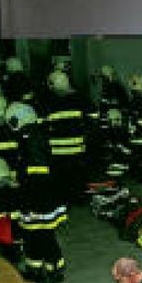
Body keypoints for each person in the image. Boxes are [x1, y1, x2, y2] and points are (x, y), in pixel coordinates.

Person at [8, 101, 69, 283]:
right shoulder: (32, 135)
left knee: (43, 236)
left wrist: (29, 202)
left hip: (39, 201)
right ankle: (36, 270)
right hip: (39, 198)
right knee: (35, 236)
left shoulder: (32, 139)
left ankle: (54, 273)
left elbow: (37, 176)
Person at [38, 70, 91, 202]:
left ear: (52, 85)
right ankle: (79, 198)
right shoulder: (82, 98)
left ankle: (63, 201)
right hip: (77, 148)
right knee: (77, 175)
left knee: (61, 178)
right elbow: (92, 120)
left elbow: (40, 126)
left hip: (57, 151)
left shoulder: (45, 102)